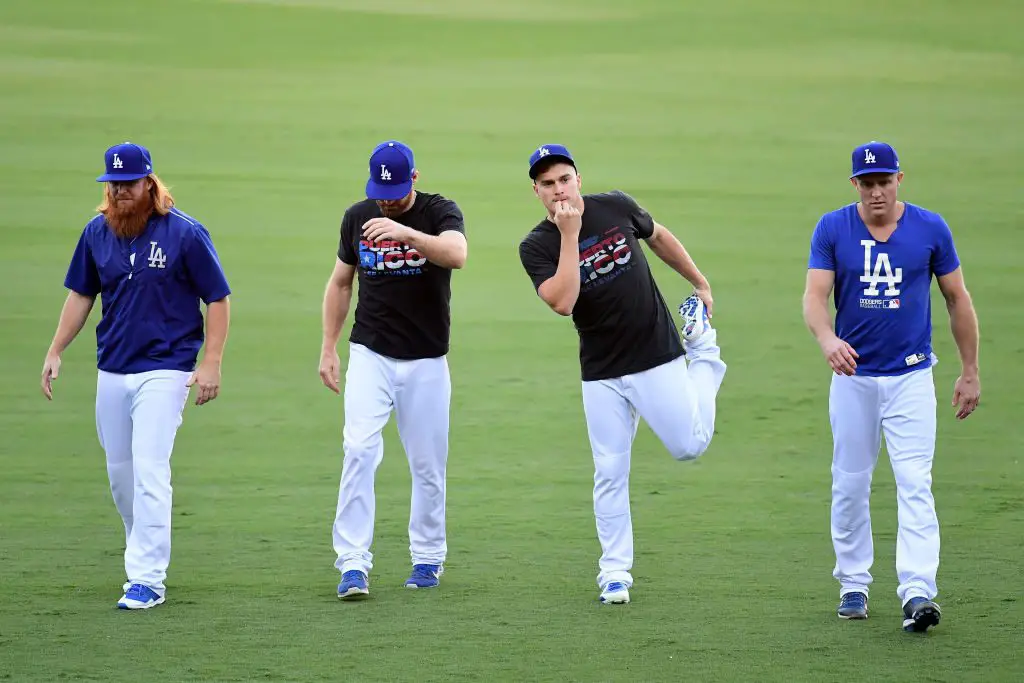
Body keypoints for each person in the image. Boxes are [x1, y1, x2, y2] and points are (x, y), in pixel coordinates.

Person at [517, 144, 727, 605]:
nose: (558, 190)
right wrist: (569, 237)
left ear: (578, 178)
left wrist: (699, 281)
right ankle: (614, 573)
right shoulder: (535, 246)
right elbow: (563, 301)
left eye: (564, 179)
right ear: (536, 191)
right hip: (602, 373)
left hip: (656, 354)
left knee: (689, 446)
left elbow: (658, 236)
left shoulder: (616, 206)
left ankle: (705, 354)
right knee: (609, 471)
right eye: (547, 184)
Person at [41, 141, 232, 610]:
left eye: (128, 184)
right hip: (113, 366)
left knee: (149, 470)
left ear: (150, 182)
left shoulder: (184, 233)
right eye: (113, 185)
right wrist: (56, 348)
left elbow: (219, 298)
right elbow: (81, 295)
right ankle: (141, 548)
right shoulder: (96, 232)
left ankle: (147, 578)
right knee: (120, 476)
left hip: (167, 368)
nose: (120, 192)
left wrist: (211, 361)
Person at [802, 141, 981, 632]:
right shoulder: (833, 228)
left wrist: (969, 370)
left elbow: (956, 299)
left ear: (899, 179)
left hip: (911, 377)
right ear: (855, 185)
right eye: (867, 183)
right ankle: (853, 583)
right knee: (850, 483)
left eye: (884, 182)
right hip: (853, 378)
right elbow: (816, 296)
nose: (876, 192)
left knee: (915, 483)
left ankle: (919, 590)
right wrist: (826, 339)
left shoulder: (930, 228)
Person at [319, 140, 468, 600]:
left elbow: (456, 254)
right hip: (372, 354)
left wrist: (406, 234)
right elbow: (341, 281)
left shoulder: (439, 212)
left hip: (426, 360)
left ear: (414, 179)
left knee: (427, 465)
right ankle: (352, 564)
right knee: (359, 450)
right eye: (380, 194)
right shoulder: (356, 217)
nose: (386, 202)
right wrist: (328, 347)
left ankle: (426, 558)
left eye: (396, 193)